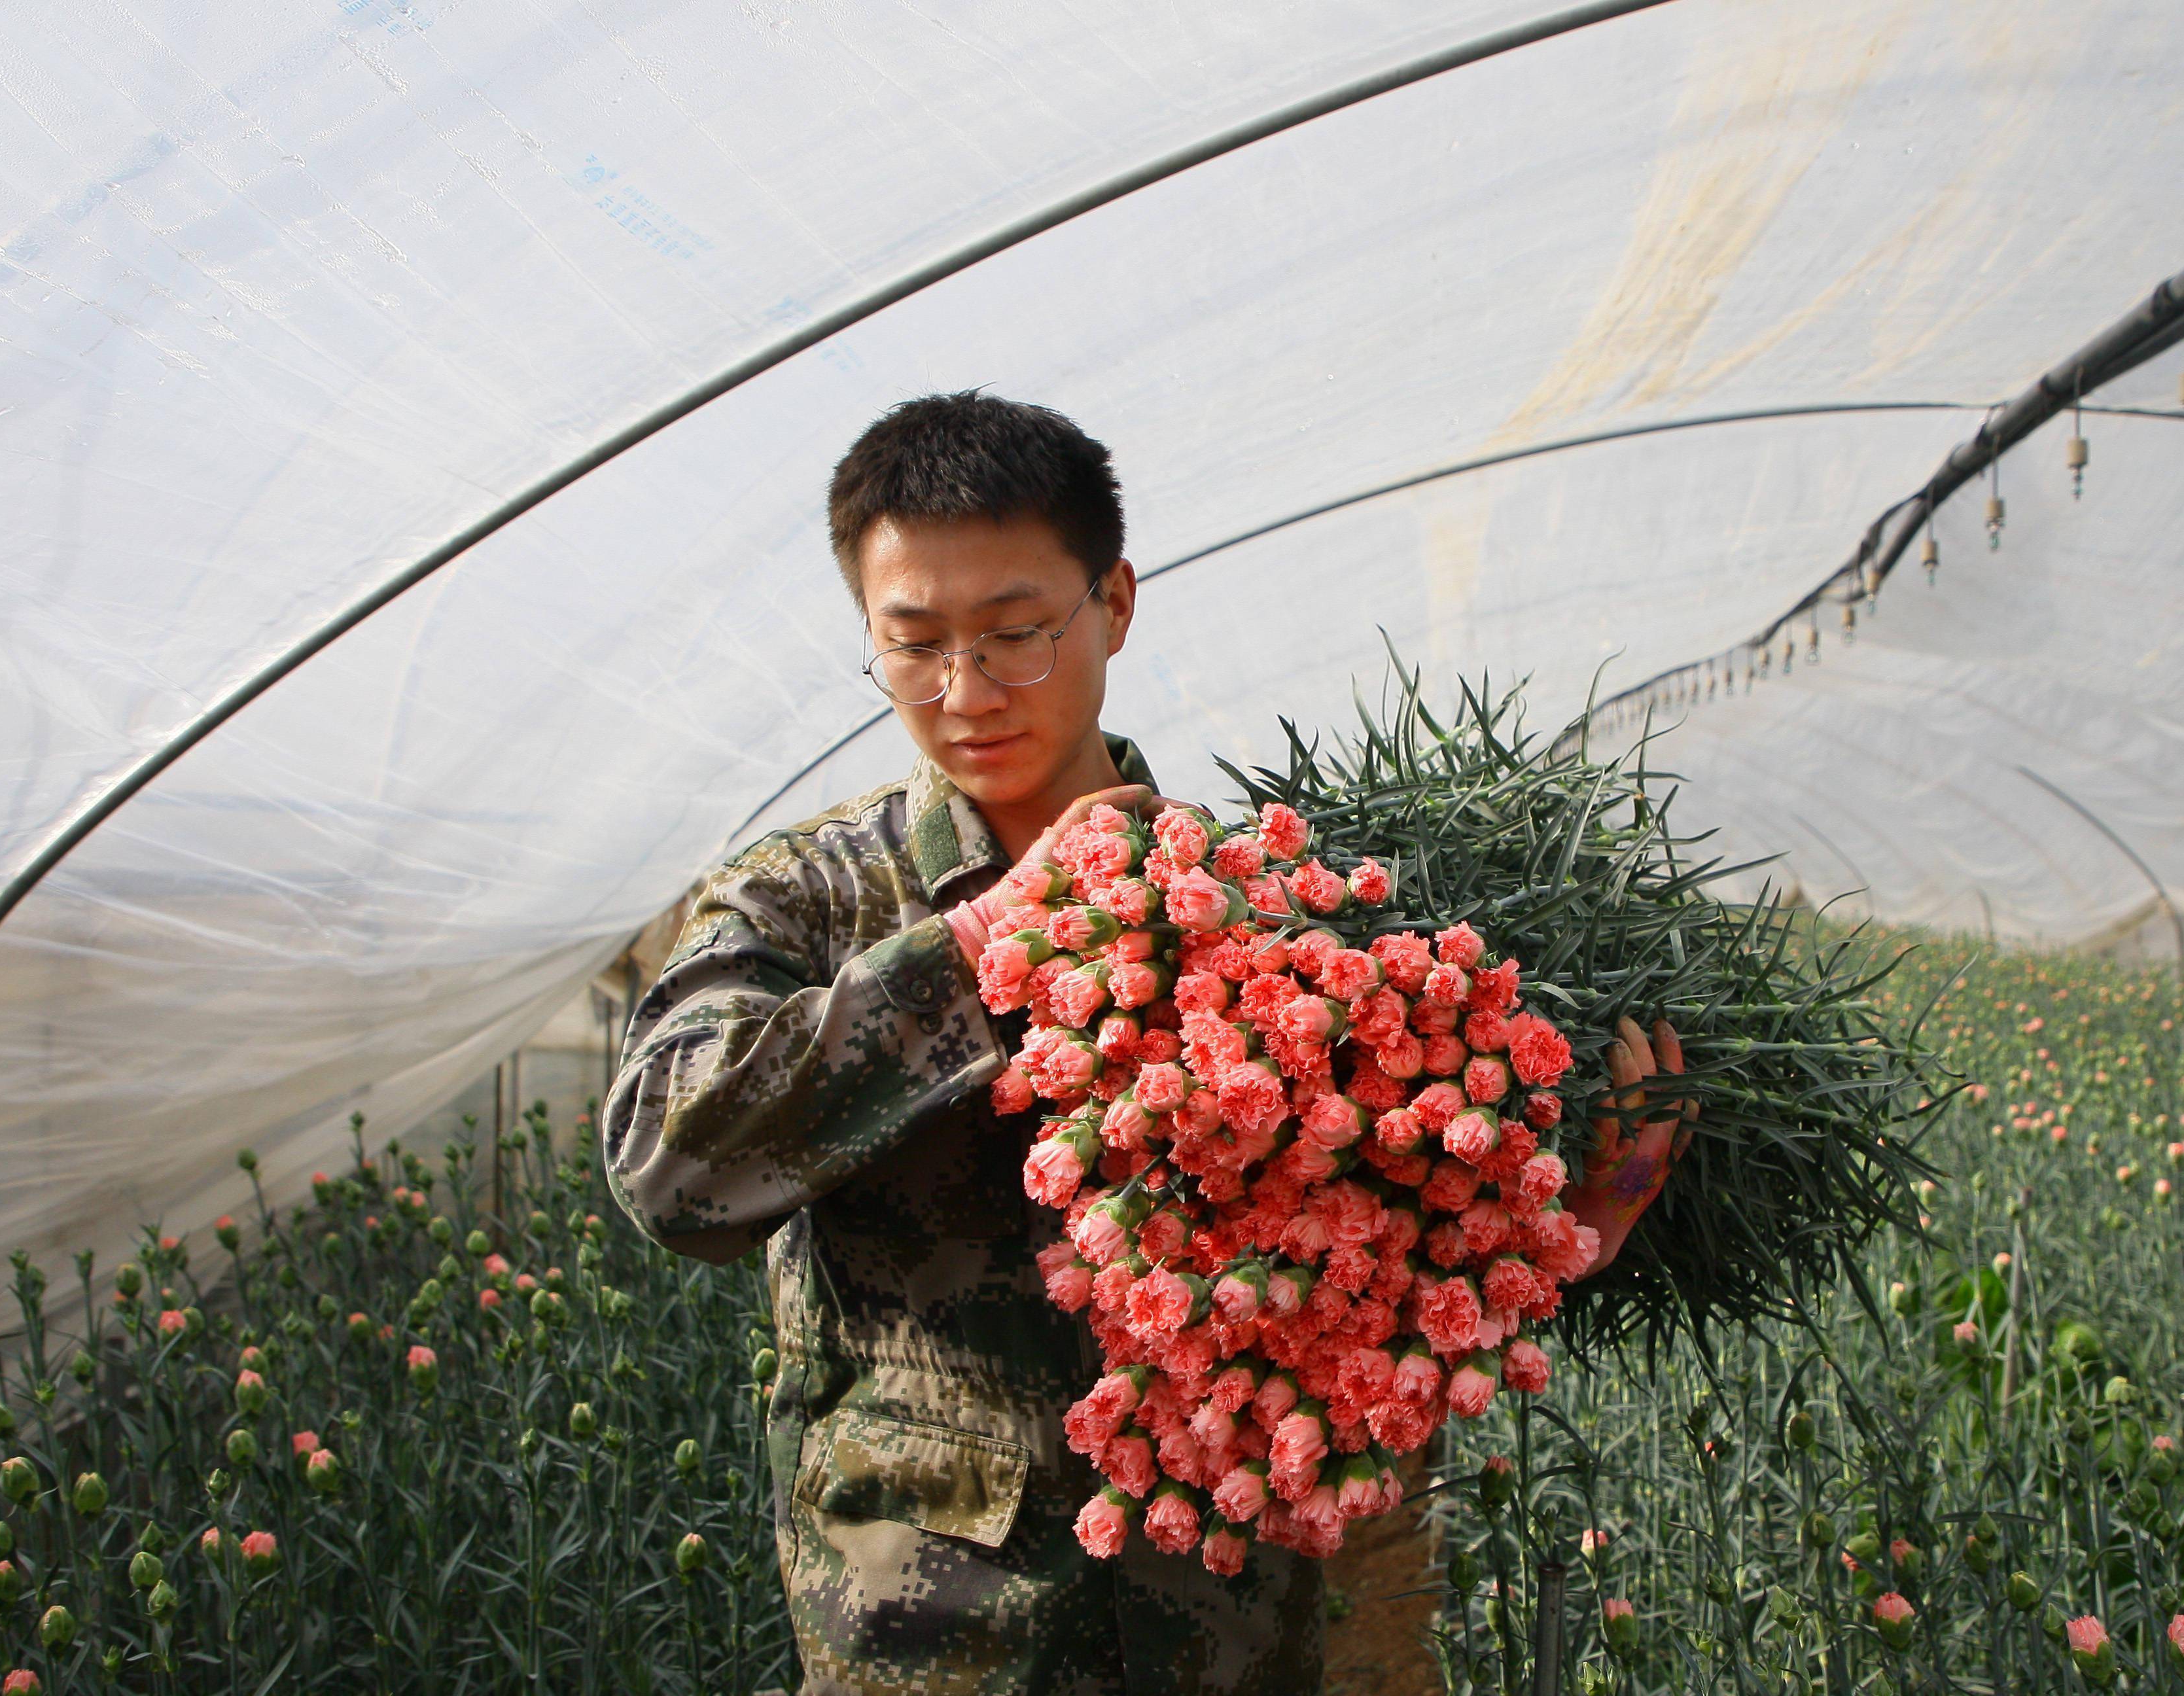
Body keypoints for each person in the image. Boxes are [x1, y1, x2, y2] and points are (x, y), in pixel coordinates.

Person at [601, 389, 1685, 1695]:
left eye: (1016, 636)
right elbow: (667, 1168)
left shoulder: (1277, 910)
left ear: (1113, 602)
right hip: (942, 1642)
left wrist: (1571, 1229)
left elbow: (1376, 1278)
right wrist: (982, 945)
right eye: (915, 646)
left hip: (1224, 1631)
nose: (966, 692)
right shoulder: (812, 896)